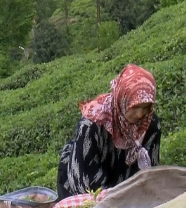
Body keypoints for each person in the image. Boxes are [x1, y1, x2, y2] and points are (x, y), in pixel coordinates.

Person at [56, 64, 161, 200]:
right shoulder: (93, 123)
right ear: (123, 99)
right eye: (135, 107)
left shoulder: (150, 123)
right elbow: (85, 179)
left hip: (125, 183)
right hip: (87, 181)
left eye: (145, 107)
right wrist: (111, 198)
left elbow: (150, 171)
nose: (140, 114)